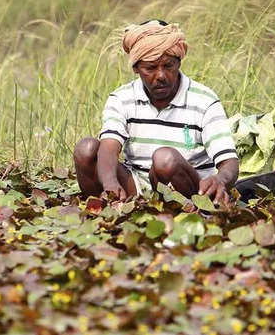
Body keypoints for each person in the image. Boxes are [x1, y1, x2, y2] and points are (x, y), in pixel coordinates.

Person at [74, 20, 239, 205]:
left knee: (164, 159)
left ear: (179, 62)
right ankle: (106, 210)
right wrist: (110, 183)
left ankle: (186, 211)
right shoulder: (121, 98)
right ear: (136, 68)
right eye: (150, 68)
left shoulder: (204, 100)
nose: (160, 76)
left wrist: (220, 179)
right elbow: (109, 147)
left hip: (190, 191)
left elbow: (229, 161)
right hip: (135, 188)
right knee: (85, 150)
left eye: (168, 66)